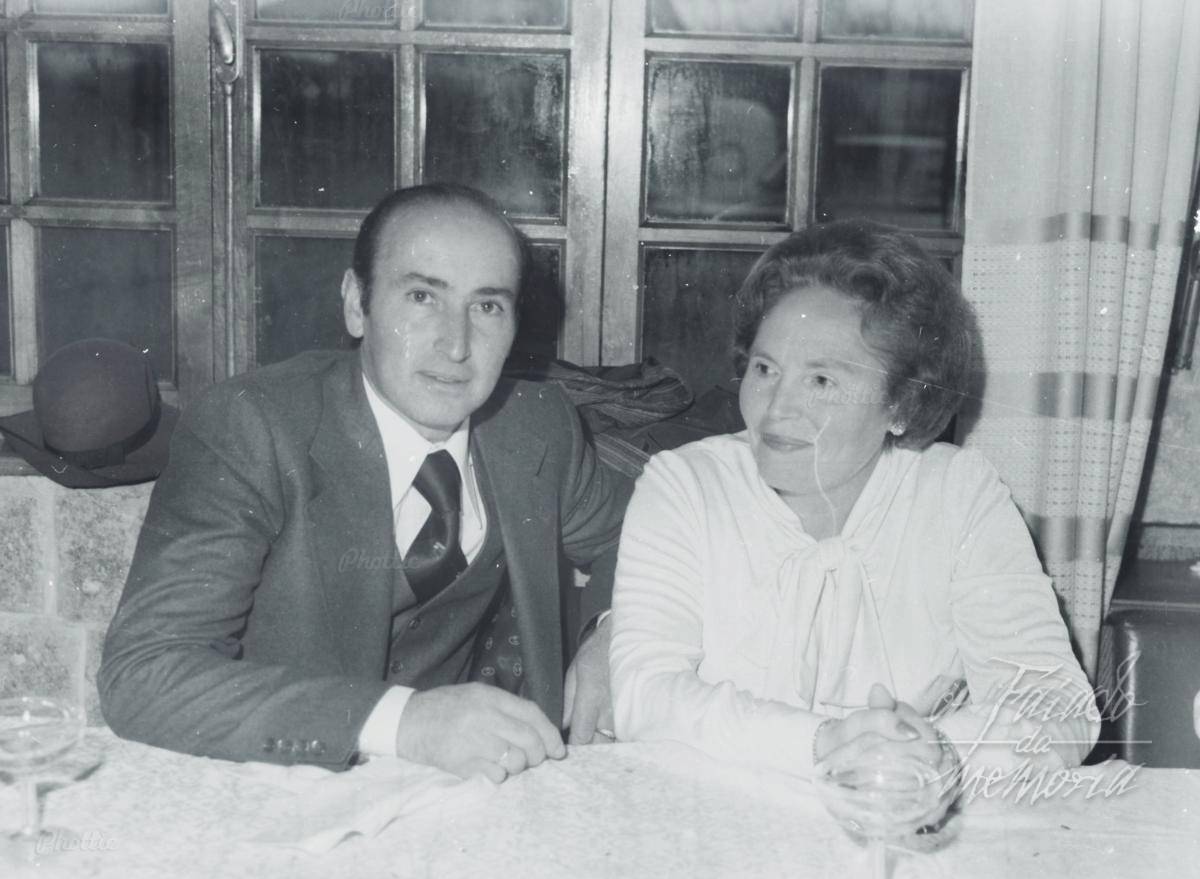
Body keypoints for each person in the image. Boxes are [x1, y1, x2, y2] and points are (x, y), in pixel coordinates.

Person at [100, 184, 631, 783]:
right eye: (422, 296)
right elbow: (142, 673)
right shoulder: (253, 427)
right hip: (287, 784)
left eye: (487, 307)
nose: (456, 346)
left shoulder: (536, 425)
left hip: (471, 793)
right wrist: (404, 723)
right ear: (358, 305)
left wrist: (611, 634)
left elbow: (640, 536)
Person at [609, 219, 1099, 791]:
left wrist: (932, 750)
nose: (776, 409)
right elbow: (645, 695)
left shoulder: (957, 492)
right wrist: (825, 744)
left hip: (906, 816)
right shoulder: (686, 486)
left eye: (821, 380)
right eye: (765, 369)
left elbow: (1057, 703)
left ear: (902, 404)